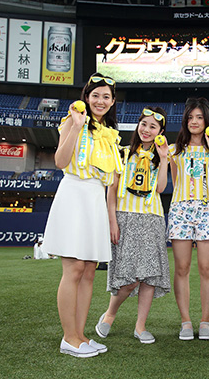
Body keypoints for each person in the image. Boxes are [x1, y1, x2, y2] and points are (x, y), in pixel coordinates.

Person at [41, 73, 123, 358]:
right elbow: (60, 161)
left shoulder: (109, 133)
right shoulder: (72, 121)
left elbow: (112, 180)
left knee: (89, 271)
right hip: (74, 192)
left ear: (113, 102)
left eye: (106, 97)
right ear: (86, 97)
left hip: (95, 198)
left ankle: (80, 335)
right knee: (74, 269)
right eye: (95, 95)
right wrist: (76, 127)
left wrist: (110, 216)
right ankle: (68, 337)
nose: (100, 101)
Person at [97, 106, 171, 345]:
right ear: (138, 125)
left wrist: (164, 158)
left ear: (160, 132)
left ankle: (140, 326)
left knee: (148, 277)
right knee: (127, 279)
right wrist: (112, 221)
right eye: (144, 124)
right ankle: (110, 314)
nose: (147, 130)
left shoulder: (161, 158)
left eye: (153, 127)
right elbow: (111, 190)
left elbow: (161, 188)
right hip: (125, 218)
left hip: (152, 219)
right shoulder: (122, 153)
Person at [167, 97, 209, 341]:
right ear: (185, 121)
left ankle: (205, 322)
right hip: (181, 209)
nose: (194, 121)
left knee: (206, 268)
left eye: (199, 117)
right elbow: (175, 182)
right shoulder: (173, 150)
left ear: (207, 120)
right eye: (190, 117)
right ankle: (185, 321)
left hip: (208, 209)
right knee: (181, 268)